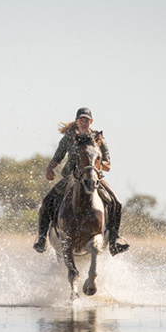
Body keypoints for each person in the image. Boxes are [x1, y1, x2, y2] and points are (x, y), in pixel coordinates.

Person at [33, 107, 129, 256]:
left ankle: (114, 241)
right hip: (72, 178)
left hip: (95, 177)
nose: (84, 123)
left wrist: (93, 164)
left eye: (86, 120)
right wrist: (48, 168)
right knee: (47, 201)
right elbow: (57, 158)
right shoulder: (68, 138)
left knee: (116, 202)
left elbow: (108, 165)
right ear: (77, 121)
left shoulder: (98, 139)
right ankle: (41, 238)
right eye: (81, 120)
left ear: (91, 121)